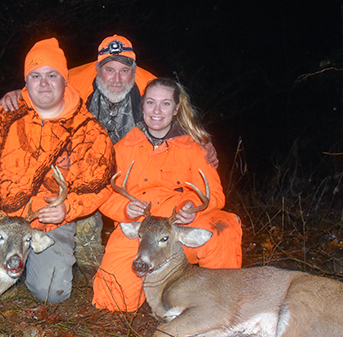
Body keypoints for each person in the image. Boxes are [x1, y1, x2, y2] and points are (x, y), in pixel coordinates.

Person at [0, 38, 115, 304]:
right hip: (2, 213)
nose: (43, 83)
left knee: (51, 292)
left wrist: (69, 208)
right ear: (26, 81)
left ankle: (23, 260)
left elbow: (101, 184)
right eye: (36, 76)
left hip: (46, 222)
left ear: (64, 80)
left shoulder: (88, 131)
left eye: (51, 75)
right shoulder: (6, 114)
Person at [92, 78, 242, 312]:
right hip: (141, 229)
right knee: (112, 301)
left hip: (176, 228)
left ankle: (224, 303)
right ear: (142, 106)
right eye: (151, 102)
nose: (157, 111)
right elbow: (106, 194)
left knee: (223, 227)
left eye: (165, 104)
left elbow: (215, 196)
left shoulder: (194, 148)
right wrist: (124, 208)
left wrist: (191, 207)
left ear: (176, 109)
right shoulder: (123, 148)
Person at [0, 35, 219, 167]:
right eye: (109, 70)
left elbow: (179, 114)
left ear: (134, 70)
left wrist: (201, 145)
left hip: (132, 163)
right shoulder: (74, 81)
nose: (117, 79)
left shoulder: (149, 85)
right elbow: (42, 87)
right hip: (85, 162)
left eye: (124, 70)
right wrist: (18, 94)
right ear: (97, 70)